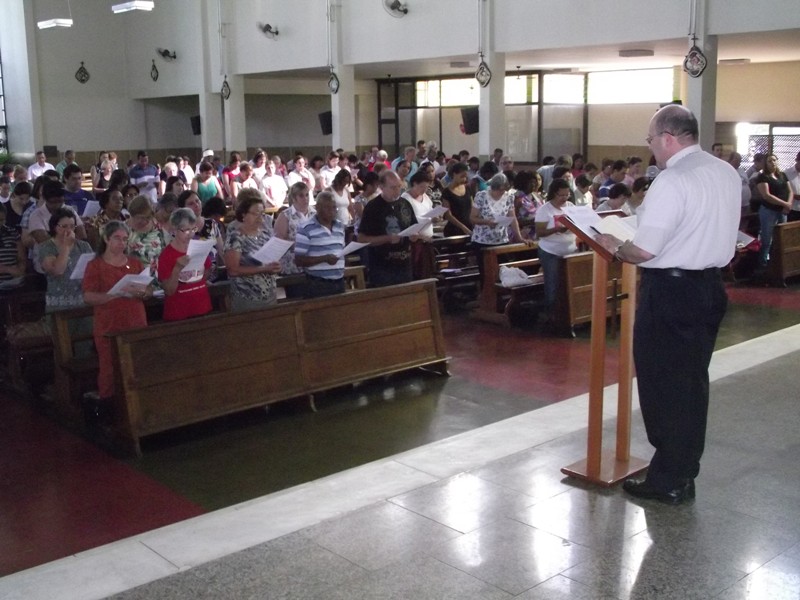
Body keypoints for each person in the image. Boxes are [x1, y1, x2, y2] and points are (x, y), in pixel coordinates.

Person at [596, 104, 740, 505]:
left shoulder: (672, 179)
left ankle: (669, 480)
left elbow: (644, 248)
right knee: (692, 383)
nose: (651, 148)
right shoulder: (724, 170)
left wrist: (614, 245)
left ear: (668, 138)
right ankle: (682, 472)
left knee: (664, 385)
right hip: (709, 288)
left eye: (650, 140)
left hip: (672, 292)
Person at [82, 221, 153, 416]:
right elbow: (88, 296)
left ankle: (139, 408)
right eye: (117, 238)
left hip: (135, 319)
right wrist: (115, 294)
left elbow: (148, 291)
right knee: (109, 367)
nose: (121, 243)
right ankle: (109, 409)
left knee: (138, 363)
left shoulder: (135, 262)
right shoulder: (96, 265)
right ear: (106, 238)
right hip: (109, 322)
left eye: (124, 239)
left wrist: (143, 292)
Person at [357, 170, 418, 287]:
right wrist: (387, 238)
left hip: (404, 264)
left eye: (399, 187)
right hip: (382, 268)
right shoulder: (373, 207)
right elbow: (362, 239)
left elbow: (413, 226)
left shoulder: (405, 204)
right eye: (393, 188)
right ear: (381, 187)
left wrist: (414, 234)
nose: (397, 191)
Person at [223, 192, 281, 311]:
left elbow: (271, 261)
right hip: (247, 296)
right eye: (255, 214)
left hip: (269, 294)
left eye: (262, 214)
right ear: (243, 214)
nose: (260, 218)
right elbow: (233, 270)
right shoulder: (236, 237)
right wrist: (264, 269)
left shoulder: (265, 235)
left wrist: (276, 266)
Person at [534, 179, 577, 324]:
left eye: (567, 195)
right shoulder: (544, 210)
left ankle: (569, 315)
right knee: (552, 285)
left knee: (569, 285)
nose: (564, 198)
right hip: (550, 251)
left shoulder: (570, 206)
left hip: (570, 251)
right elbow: (539, 232)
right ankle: (550, 316)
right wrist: (557, 229)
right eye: (561, 195)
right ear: (554, 193)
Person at [157, 208, 212, 321]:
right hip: (179, 311)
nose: (190, 234)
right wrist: (177, 268)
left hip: (202, 306)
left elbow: (206, 272)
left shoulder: (198, 247)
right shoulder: (166, 255)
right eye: (186, 230)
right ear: (175, 230)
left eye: (193, 229)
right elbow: (169, 291)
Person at [294, 191, 347, 298]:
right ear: (317, 208)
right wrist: (324, 258)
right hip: (318, 284)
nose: (332, 211)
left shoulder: (340, 226)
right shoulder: (305, 228)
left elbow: (342, 250)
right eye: (327, 208)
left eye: (334, 207)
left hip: (339, 281)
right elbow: (299, 260)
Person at [754, 154, 792, 268]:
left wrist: (788, 204)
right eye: (770, 161)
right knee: (767, 240)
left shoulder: (782, 175)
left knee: (781, 239)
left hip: (782, 211)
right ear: (766, 163)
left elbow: (790, 191)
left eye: (774, 160)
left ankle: (778, 265)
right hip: (769, 211)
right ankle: (763, 265)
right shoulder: (763, 177)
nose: (773, 163)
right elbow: (766, 195)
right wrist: (784, 204)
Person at [127, 194, 168, 274]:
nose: (145, 221)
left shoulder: (158, 227)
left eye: (148, 217)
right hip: (132, 275)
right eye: (141, 218)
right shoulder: (124, 230)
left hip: (157, 275)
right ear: (132, 214)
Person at [441, 162, 473, 237]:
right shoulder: (447, 192)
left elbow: (472, 207)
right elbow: (448, 215)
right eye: (462, 176)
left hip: (469, 225)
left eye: (465, 177)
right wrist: (463, 227)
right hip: (454, 229)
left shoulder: (467, 188)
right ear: (454, 174)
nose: (464, 179)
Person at [0, 203, 26, 285]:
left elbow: (22, 259)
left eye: (1, 220)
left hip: (12, 283)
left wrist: (7, 269)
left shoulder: (13, 233)